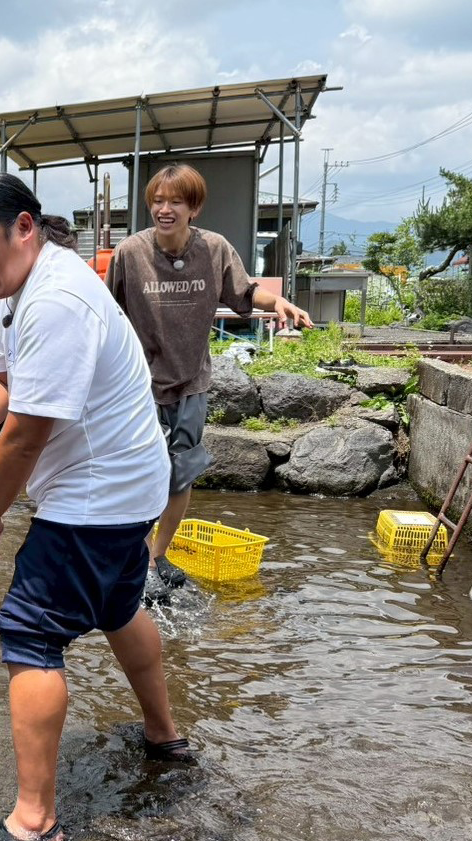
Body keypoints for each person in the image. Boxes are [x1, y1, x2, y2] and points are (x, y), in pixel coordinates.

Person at [0, 172, 191, 841]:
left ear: (24, 227)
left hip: (98, 492)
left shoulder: (56, 300)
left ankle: (34, 821)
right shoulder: (10, 289)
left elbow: (26, 436)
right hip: (126, 485)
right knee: (117, 606)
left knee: (28, 631)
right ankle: (163, 735)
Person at [105, 163, 313, 588]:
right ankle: (134, 555)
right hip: (138, 384)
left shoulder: (214, 249)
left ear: (194, 208)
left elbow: (246, 291)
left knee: (181, 472)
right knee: (138, 472)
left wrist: (278, 303)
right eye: (157, 201)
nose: (165, 209)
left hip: (191, 382)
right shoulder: (130, 253)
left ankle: (157, 555)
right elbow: (106, 312)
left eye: (175, 202)